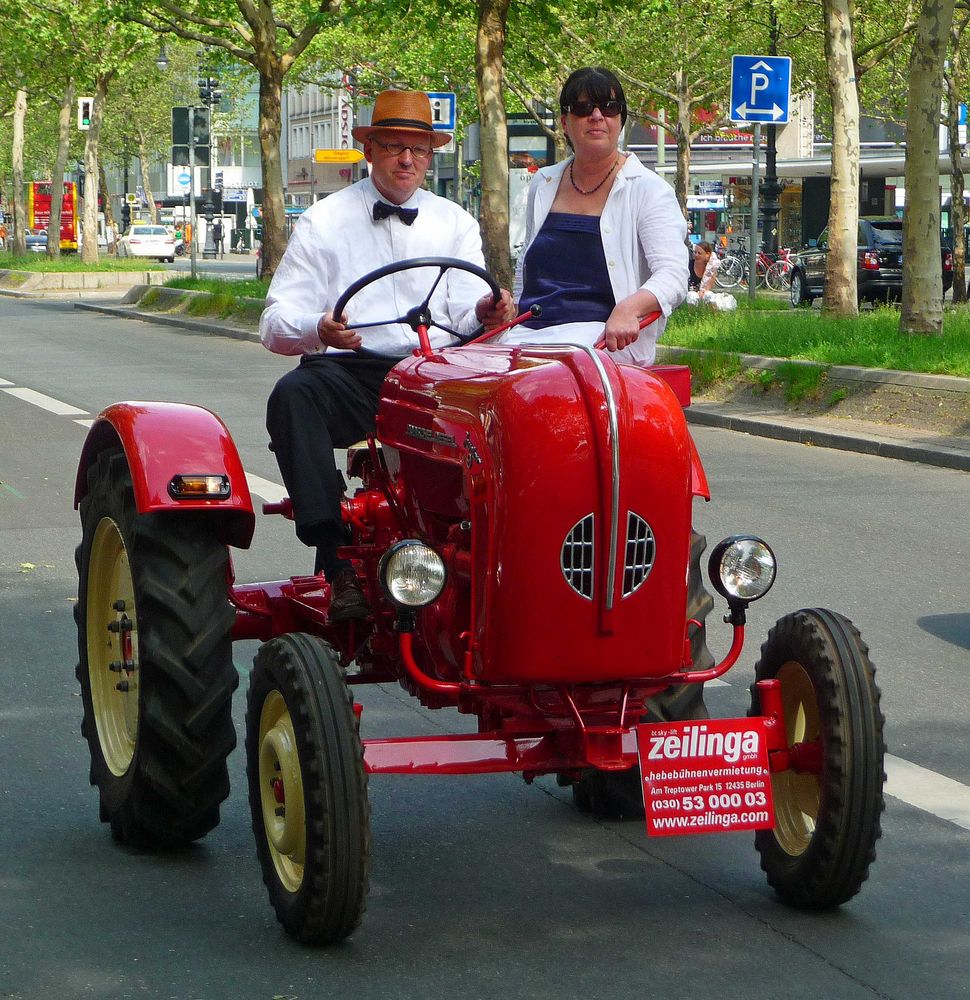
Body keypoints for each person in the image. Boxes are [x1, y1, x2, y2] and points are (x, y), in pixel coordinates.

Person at [260, 89, 513, 622]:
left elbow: (466, 305)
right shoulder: (324, 222)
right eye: (394, 146)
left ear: (429, 156)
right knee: (294, 395)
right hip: (355, 372)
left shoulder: (455, 222)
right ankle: (336, 557)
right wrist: (319, 326)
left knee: (520, 407)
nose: (406, 160)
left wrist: (487, 309)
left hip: (436, 373)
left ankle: (499, 559)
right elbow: (275, 323)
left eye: (418, 150)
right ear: (369, 150)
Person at [502, 67, 688, 366]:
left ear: (621, 120)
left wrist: (630, 308)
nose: (597, 116)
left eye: (609, 108)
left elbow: (674, 276)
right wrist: (507, 310)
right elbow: (529, 267)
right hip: (526, 338)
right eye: (583, 108)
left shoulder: (649, 190)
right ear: (565, 122)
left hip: (601, 346)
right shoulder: (544, 183)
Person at [686, 241, 737, 311]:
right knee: (691, 296)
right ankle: (691, 315)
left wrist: (702, 292)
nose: (696, 255)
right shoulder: (689, 265)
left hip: (703, 292)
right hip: (689, 293)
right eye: (695, 252)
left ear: (707, 254)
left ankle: (712, 316)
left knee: (709, 295)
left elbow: (708, 287)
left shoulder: (712, 268)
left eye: (699, 253)